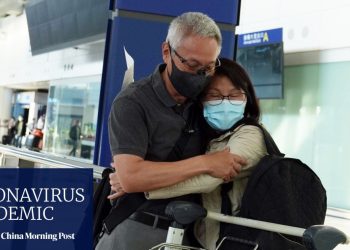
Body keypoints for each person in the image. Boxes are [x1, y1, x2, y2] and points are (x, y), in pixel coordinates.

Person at [95, 12, 247, 250]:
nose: (200, 76)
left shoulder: (207, 102)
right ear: (167, 52)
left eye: (208, 67)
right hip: (134, 228)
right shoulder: (133, 102)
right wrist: (205, 163)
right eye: (192, 65)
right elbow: (132, 176)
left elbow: (234, 158)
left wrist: (143, 178)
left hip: (189, 234)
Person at [145, 58, 268, 250]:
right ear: (200, 101)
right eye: (214, 95)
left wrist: (140, 183)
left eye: (235, 95)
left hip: (240, 242)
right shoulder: (206, 137)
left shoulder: (251, 135)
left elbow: (208, 179)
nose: (225, 103)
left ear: (247, 99)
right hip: (208, 241)